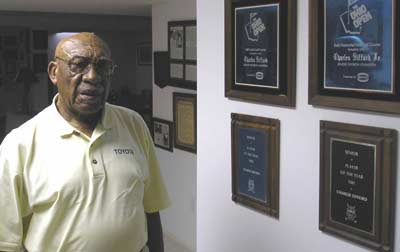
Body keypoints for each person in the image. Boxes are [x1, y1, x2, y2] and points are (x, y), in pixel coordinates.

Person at [0, 32, 170, 252]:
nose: (92, 76)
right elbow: (7, 242)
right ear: (54, 72)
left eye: (103, 66)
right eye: (78, 65)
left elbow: (151, 208)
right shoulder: (19, 144)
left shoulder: (134, 124)